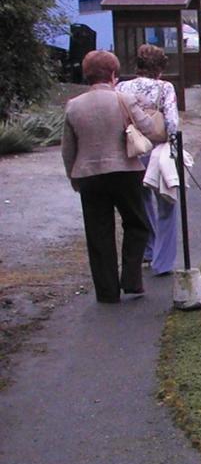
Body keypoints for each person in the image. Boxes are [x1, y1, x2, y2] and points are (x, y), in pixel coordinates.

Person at [61, 51, 163, 303]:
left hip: (89, 174)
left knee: (98, 232)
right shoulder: (124, 99)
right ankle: (131, 279)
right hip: (125, 170)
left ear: (87, 74)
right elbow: (149, 130)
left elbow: (68, 148)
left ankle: (107, 291)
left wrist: (72, 175)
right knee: (137, 224)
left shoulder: (73, 105)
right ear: (113, 74)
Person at [116, 45, 179, 277]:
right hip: (158, 149)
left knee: (140, 203)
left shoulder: (122, 86)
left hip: (132, 148)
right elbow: (172, 122)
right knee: (166, 201)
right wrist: (174, 147)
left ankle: (149, 248)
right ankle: (163, 261)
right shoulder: (165, 88)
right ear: (160, 68)